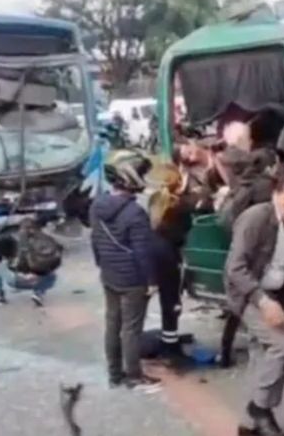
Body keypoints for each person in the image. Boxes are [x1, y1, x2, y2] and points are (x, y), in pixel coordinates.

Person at [224, 171, 284, 436]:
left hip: (279, 293)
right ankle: (259, 410)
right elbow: (235, 268)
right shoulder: (256, 219)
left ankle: (252, 423)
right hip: (248, 293)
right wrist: (263, 302)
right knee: (283, 346)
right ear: (276, 195)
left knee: (265, 358)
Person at [89, 153, 160, 392]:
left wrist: (103, 265)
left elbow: (95, 241)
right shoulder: (135, 213)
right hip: (132, 279)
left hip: (109, 275)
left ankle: (114, 374)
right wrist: (151, 281)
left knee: (112, 323)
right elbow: (143, 252)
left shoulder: (97, 205)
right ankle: (134, 376)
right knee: (131, 329)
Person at [146, 162, 193, 358]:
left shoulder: (154, 202)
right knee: (172, 301)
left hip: (151, 252)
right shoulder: (180, 206)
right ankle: (170, 343)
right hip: (169, 254)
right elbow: (185, 231)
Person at [0, 218, 62, 306]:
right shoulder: (45, 240)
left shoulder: (9, 239)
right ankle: (39, 293)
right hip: (40, 280)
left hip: (17, 280)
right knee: (51, 274)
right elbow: (58, 254)